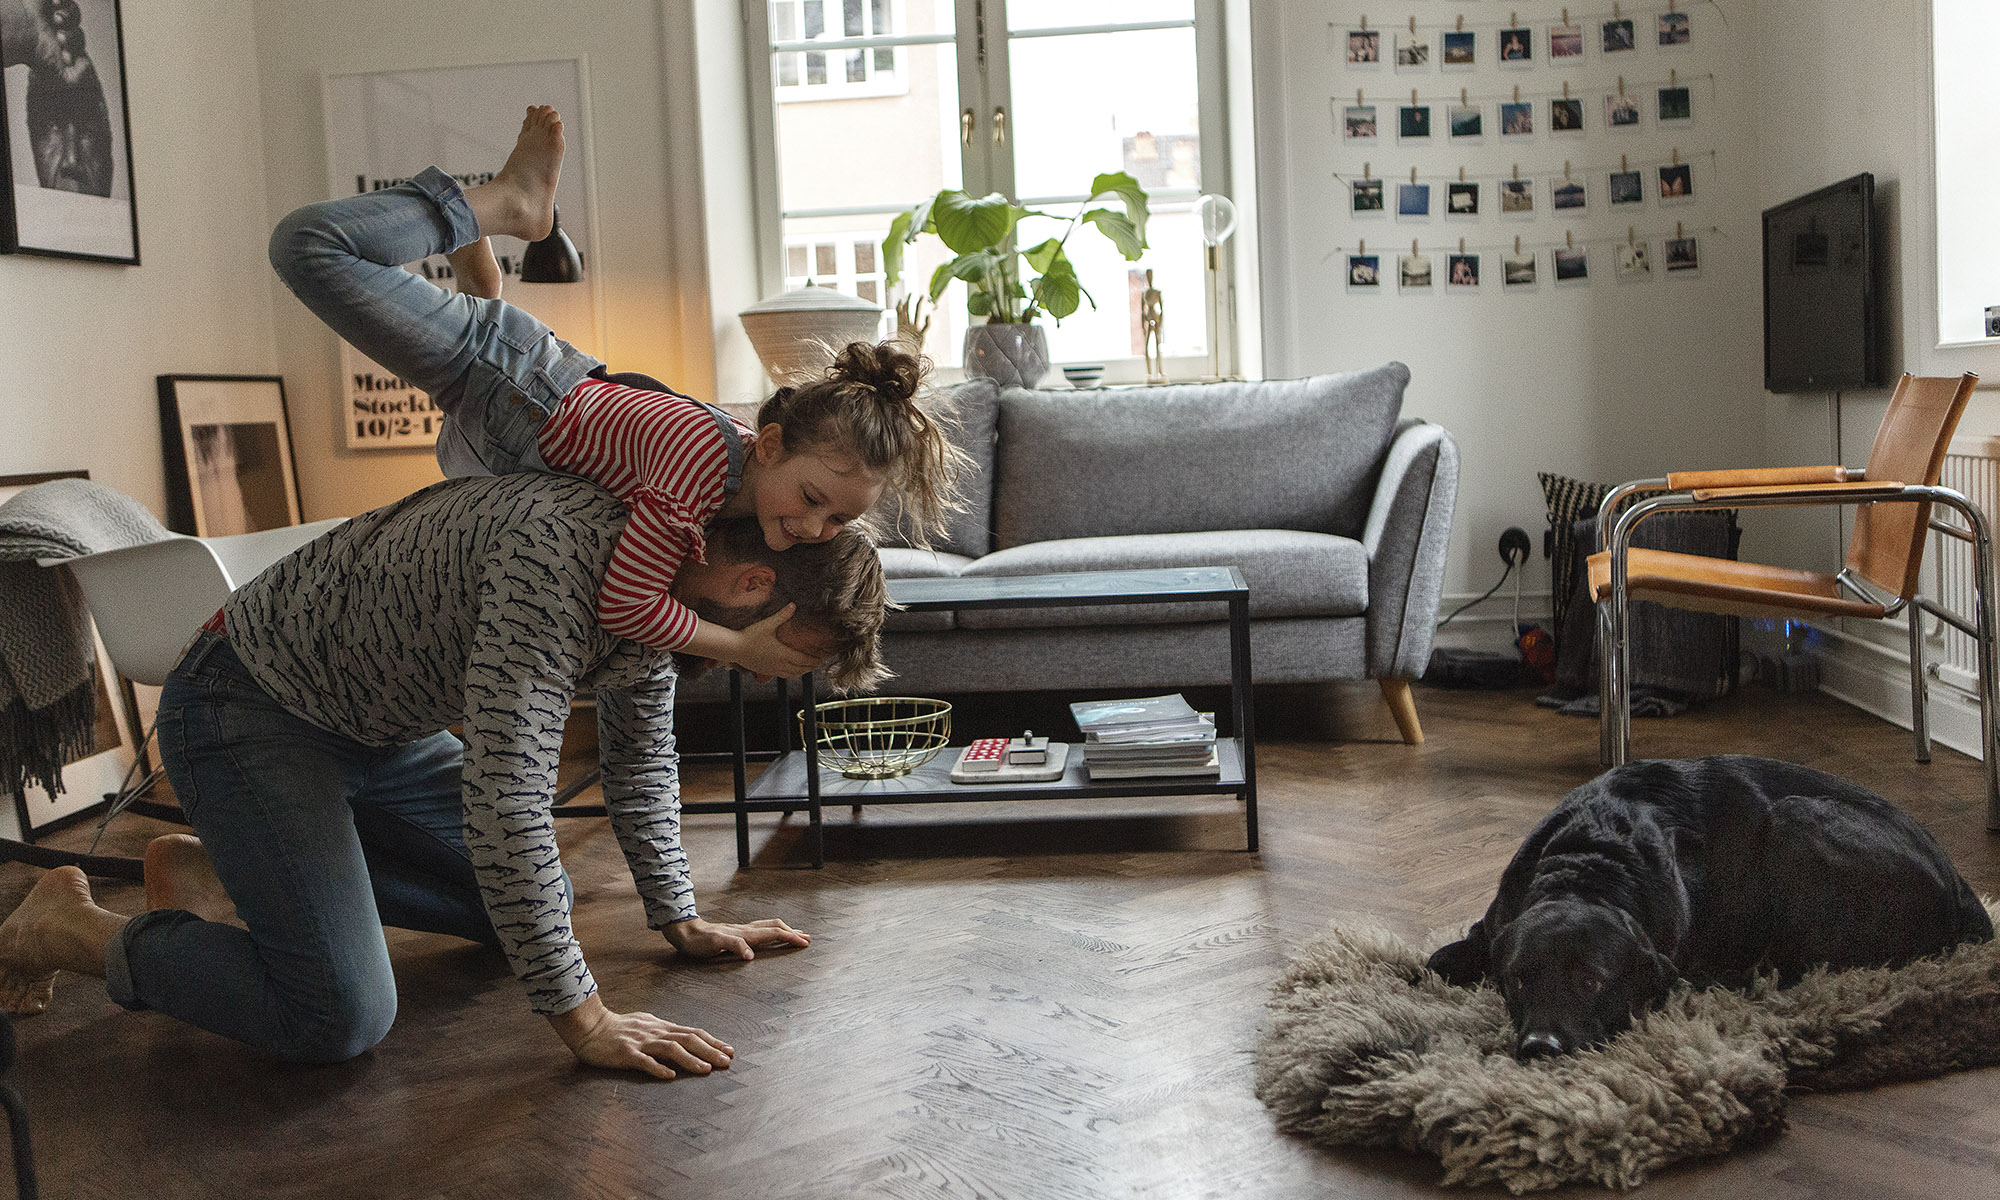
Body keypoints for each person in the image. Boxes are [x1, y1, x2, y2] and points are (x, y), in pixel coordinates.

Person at [0, 474, 889, 1077]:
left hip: (378, 731)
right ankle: (67, 929)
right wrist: (585, 1021)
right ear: (746, 584)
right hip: (247, 711)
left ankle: (226, 866)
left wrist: (679, 916)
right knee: (340, 1017)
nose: (764, 671)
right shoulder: (564, 569)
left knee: (530, 912)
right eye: (782, 651)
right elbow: (510, 806)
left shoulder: (655, 596)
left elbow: (639, 757)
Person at [267, 105, 965, 681]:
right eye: (813, 500)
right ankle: (505, 204)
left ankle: (482, 288)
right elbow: (627, 605)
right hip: (506, 378)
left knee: (462, 493)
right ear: (773, 444)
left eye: (837, 521)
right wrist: (741, 650)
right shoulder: (701, 469)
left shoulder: (727, 498)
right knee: (309, 247)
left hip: (504, 433)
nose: (813, 529)